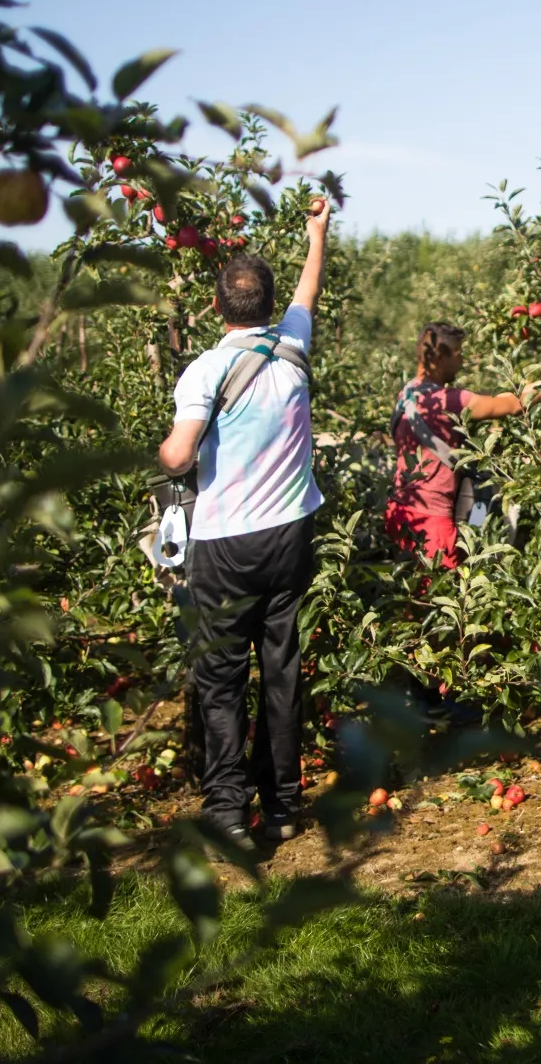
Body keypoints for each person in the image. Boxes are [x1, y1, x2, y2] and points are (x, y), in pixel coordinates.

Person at [156, 199, 331, 850]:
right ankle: (284, 806)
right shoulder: (291, 347)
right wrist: (318, 233)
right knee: (280, 671)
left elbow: (178, 454)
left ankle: (229, 811)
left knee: (223, 678)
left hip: (226, 545)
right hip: (290, 534)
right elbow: (309, 290)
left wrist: (164, 454)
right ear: (268, 306)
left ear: (217, 307)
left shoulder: (206, 368)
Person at [386, 322, 540, 568]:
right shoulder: (449, 400)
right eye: (458, 354)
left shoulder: (407, 394)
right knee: (440, 597)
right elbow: (513, 404)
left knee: (409, 592)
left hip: (399, 512)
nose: (462, 361)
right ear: (439, 356)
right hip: (431, 522)